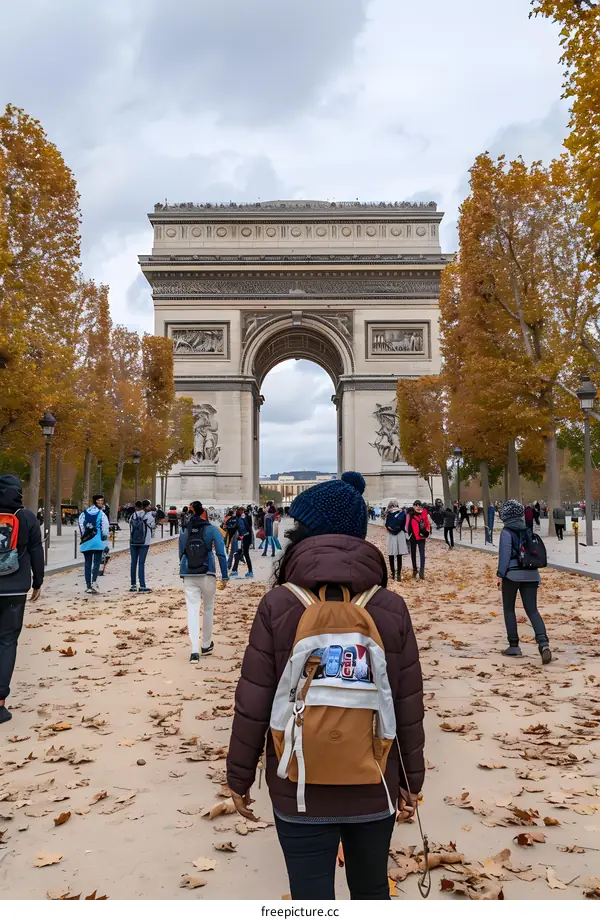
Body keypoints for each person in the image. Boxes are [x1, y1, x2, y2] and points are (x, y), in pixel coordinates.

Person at [226, 471, 425, 901]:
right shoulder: (389, 607)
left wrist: (239, 777)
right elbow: (407, 702)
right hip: (374, 780)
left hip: (298, 784)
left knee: (310, 898)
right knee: (372, 891)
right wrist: (413, 777)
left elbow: (254, 700)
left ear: (301, 533)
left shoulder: (279, 605)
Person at [0, 475, 44, 725]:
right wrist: (38, 582)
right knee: (7, 642)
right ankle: (0, 704)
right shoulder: (25, 516)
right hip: (15, 588)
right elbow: (36, 551)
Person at [497, 500, 551, 664]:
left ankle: (514, 646)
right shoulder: (527, 530)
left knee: (509, 609)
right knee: (532, 610)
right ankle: (543, 644)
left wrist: (500, 575)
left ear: (504, 516)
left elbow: (504, 557)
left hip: (512, 575)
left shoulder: (506, 532)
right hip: (531, 574)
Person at [179, 500, 228, 661]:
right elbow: (221, 553)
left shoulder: (184, 530)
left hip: (189, 572)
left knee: (192, 610)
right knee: (208, 609)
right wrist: (225, 576)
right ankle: (206, 644)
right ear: (204, 513)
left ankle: (194, 650)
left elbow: (181, 553)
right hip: (208, 572)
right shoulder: (212, 529)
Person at [78, 494, 109, 594]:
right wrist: (103, 537)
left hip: (86, 541)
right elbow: (105, 528)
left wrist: (85, 536)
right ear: (96, 501)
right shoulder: (101, 514)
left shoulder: (84, 513)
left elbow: (81, 527)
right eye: (100, 501)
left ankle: (88, 586)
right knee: (96, 562)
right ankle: (94, 581)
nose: (101, 503)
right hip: (97, 541)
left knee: (87, 563)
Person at [129, 500, 155, 593]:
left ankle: (133, 585)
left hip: (133, 542)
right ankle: (142, 585)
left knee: (133, 563)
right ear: (145, 507)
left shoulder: (133, 515)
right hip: (144, 542)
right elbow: (153, 526)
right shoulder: (148, 516)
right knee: (141, 563)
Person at [384, 499, 408, 580]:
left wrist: (391, 529)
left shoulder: (388, 513)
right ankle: (398, 574)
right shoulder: (402, 513)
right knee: (399, 555)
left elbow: (386, 524)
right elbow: (403, 525)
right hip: (400, 534)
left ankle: (393, 573)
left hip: (391, 535)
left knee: (391, 554)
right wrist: (397, 530)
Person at [406, 500, 430, 580]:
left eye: (418, 505)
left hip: (417, 537)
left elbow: (407, 525)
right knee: (419, 554)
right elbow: (427, 524)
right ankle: (419, 571)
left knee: (417, 554)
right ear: (413, 506)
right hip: (418, 537)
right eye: (416, 505)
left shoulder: (410, 515)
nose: (417, 506)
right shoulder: (423, 514)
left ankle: (418, 571)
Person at [231, 507, 254, 578]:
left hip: (244, 538)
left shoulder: (241, 518)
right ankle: (235, 570)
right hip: (246, 538)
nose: (235, 512)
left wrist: (241, 536)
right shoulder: (244, 517)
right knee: (240, 553)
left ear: (241, 511)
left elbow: (242, 528)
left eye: (237, 510)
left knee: (244, 554)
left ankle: (249, 571)